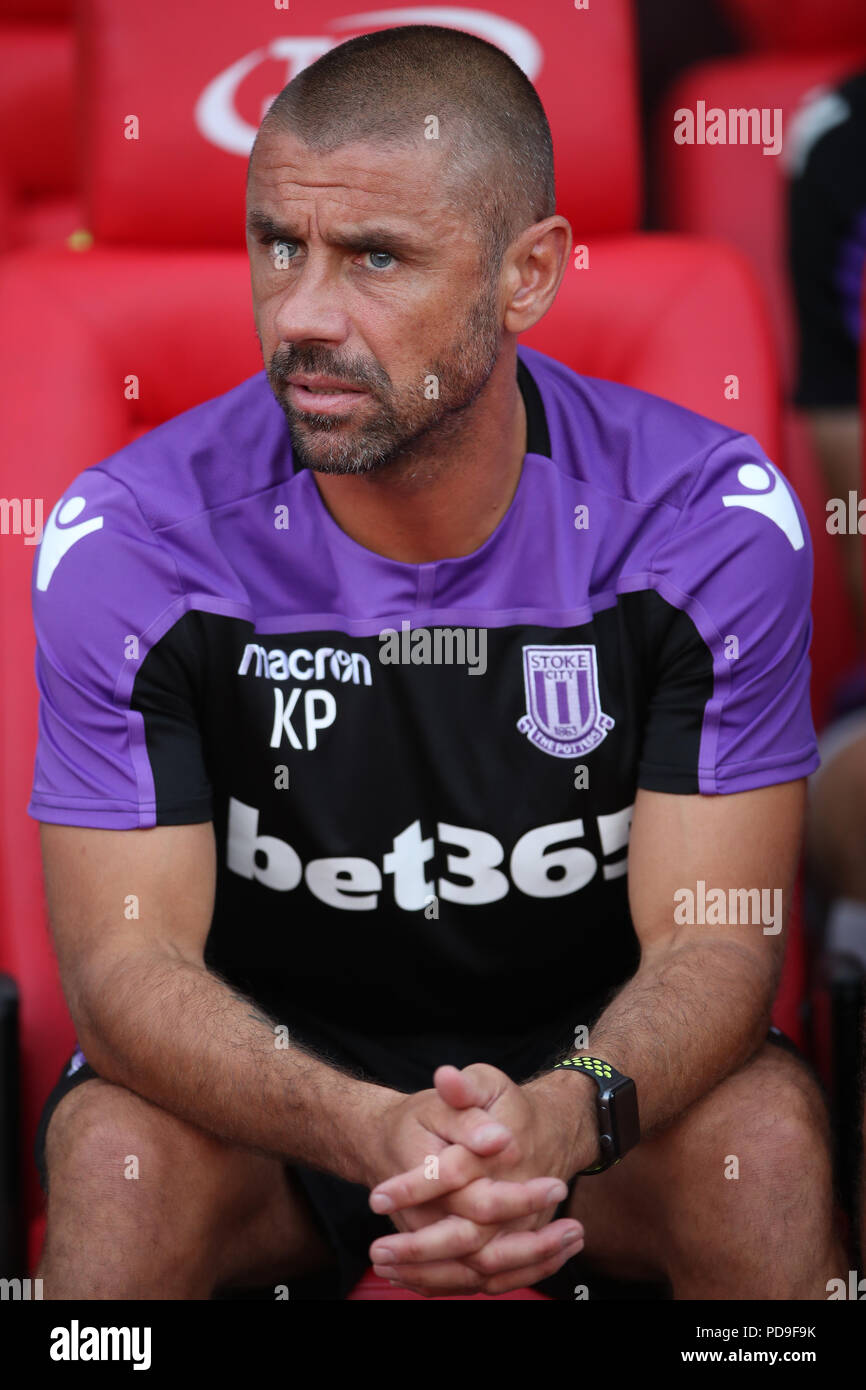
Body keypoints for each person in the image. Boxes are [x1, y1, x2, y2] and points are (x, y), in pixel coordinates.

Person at [30, 24, 843, 1301]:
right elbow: (126, 972)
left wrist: (557, 1120)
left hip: (594, 1079)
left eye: (374, 259)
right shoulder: (130, 536)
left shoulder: (701, 521)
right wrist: (368, 1130)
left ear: (527, 275)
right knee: (115, 1162)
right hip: (264, 1093)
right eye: (277, 246)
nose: (301, 314)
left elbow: (716, 943)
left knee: (766, 1150)